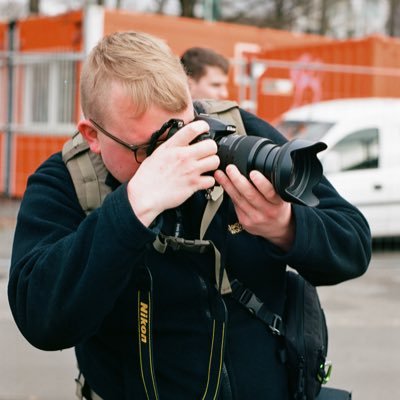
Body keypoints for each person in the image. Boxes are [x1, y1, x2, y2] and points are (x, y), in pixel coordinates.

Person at [8, 31, 371, 400]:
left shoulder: (236, 130)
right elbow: (41, 320)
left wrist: (285, 227)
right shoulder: (68, 182)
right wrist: (133, 208)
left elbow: (354, 245)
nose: (177, 156)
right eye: (150, 148)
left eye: (186, 131)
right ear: (93, 136)